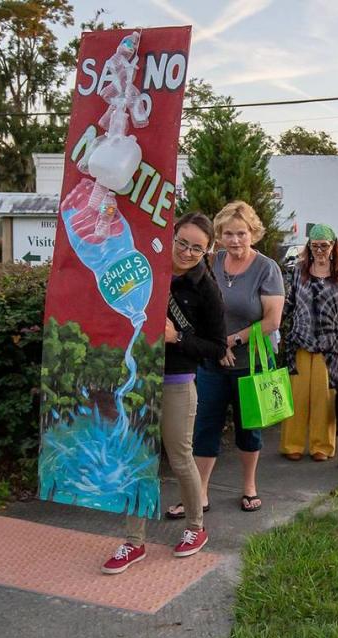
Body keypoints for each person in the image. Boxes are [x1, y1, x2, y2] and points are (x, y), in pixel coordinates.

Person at [102, 213, 227, 574]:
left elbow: (217, 347)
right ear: (171, 236)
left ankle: (195, 528)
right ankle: (133, 541)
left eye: (197, 248)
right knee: (136, 458)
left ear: (208, 250)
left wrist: (179, 338)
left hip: (176, 380)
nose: (187, 252)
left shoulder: (206, 289)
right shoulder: (145, 269)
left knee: (179, 457)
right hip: (136, 376)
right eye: (183, 242)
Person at [182, 201, 284, 517]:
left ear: (253, 233)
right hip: (212, 363)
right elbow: (196, 307)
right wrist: (214, 346)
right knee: (204, 426)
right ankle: (200, 493)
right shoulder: (211, 263)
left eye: (241, 233)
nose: (235, 240)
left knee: (248, 428)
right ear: (219, 236)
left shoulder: (267, 268)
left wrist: (230, 340)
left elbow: (272, 321)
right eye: (228, 234)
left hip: (250, 364)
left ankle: (249, 486)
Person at [280, 224, 338, 461]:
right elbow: (289, 302)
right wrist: (275, 328)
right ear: (309, 246)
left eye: (324, 245)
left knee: (324, 397)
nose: (320, 250)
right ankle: (292, 444)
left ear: (333, 246)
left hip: (330, 344)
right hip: (300, 341)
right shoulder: (300, 270)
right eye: (315, 246)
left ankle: (321, 446)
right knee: (298, 395)